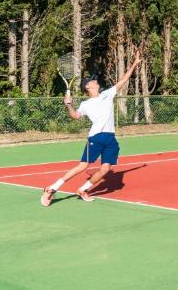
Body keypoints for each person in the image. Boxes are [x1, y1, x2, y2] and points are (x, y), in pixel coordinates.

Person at [41, 49, 143, 206]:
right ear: (88, 86)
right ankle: (52, 188)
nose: (96, 81)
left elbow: (123, 80)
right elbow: (75, 116)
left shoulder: (107, 94)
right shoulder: (85, 104)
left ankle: (83, 190)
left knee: (106, 168)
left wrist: (134, 64)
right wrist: (69, 105)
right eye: (93, 81)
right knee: (83, 166)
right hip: (96, 137)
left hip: (110, 138)